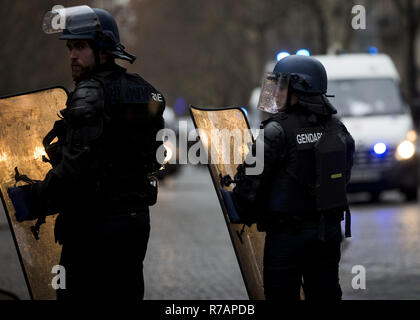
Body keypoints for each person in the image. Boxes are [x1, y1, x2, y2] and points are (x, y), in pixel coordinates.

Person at [32, 6, 165, 300]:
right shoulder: (146, 90)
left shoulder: (90, 91)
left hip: (94, 225)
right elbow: (155, 156)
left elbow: (74, 171)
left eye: (79, 46)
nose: (72, 55)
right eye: (69, 47)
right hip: (135, 221)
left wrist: (36, 195)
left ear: (102, 49)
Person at [231, 55, 355, 300]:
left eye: (281, 87)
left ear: (299, 89)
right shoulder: (337, 128)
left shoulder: (275, 130)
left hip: (287, 238)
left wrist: (243, 209)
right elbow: (344, 177)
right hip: (328, 234)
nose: (275, 94)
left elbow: (249, 185)